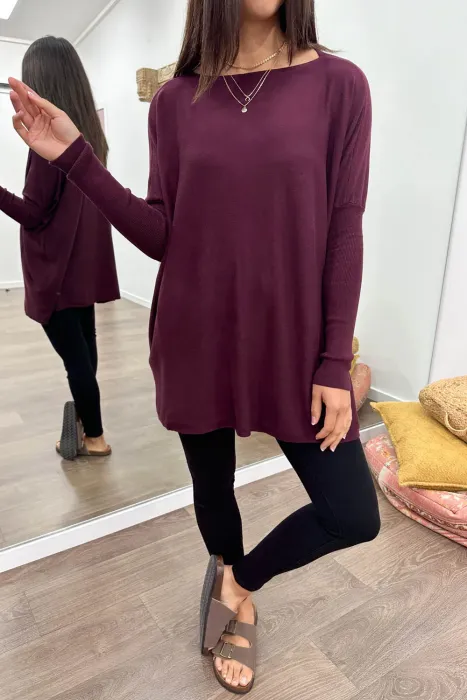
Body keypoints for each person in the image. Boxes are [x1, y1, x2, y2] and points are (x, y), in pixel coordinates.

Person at [9, 0, 381, 692]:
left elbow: (344, 228)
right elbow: (162, 235)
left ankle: (239, 583)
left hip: (294, 346)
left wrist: (335, 361)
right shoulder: (175, 101)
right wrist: (75, 158)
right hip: (195, 336)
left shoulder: (340, 86)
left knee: (351, 512)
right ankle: (229, 579)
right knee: (213, 489)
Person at [1, 37, 119, 460]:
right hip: (82, 267)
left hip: (56, 270)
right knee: (85, 348)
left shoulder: (48, 146)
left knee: (76, 361)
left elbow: (34, 214)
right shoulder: (89, 137)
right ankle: (87, 423)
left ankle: (95, 438)